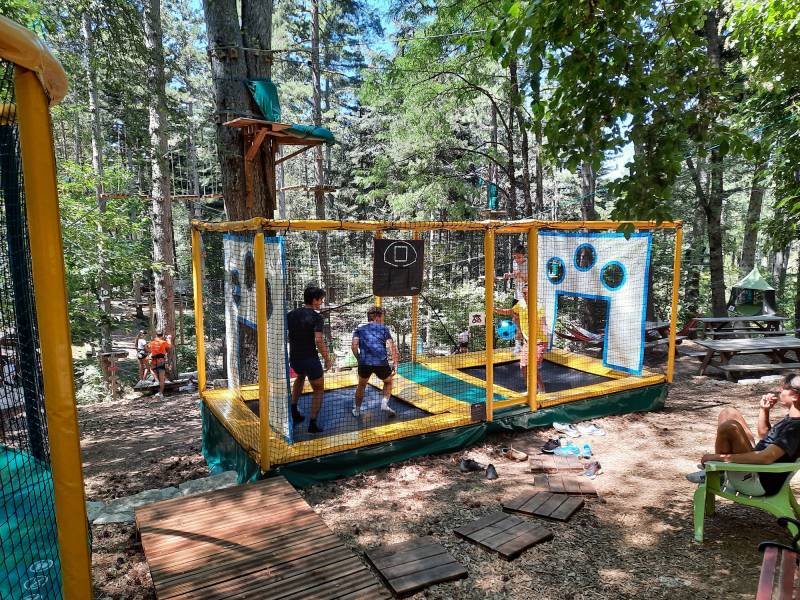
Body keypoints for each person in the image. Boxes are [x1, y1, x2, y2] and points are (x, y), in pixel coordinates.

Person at [686, 373, 800, 496]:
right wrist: (764, 410)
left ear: (795, 396)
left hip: (757, 480)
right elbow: (765, 435)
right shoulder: (793, 419)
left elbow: (766, 458)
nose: (779, 390)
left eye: (784, 388)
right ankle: (721, 472)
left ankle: (719, 473)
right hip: (755, 468)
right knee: (729, 413)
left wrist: (717, 458)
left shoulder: (795, 427)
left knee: (730, 427)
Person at [287, 285, 331, 434]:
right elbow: (318, 340)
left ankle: (293, 409)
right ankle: (312, 423)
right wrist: (327, 358)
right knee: (318, 389)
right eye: (320, 300)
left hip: (295, 359)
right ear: (314, 300)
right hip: (310, 360)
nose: (321, 303)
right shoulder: (317, 317)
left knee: (300, 376)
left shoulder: (291, 314)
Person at [494, 285, 547, 392]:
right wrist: (496, 310)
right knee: (523, 367)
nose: (524, 295)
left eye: (526, 293)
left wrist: (544, 328)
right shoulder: (521, 304)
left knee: (532, 367)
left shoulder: (538, 306)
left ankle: (542, 389)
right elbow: (510, 311)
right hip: (527, 343)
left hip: (539, 342)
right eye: (523, 293)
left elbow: (542, 320)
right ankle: (531, 389)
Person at [351, 306, 399, 418]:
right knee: (388, 382)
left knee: (361, 385)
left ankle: (357, 410)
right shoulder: (383, 329)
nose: (383, 319)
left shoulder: (359, 330)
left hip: (365, 363)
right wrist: (395, 363)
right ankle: (384, 403)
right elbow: (392, 347)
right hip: (381, 363)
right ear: (377, 317)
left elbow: (354, 346)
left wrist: (359, 358)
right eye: (382, 316)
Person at [498, 244, 527, 353]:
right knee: (515, 320)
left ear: (524, 255)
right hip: (517, 295)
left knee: (525, 321)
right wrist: (509, 275)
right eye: (515, 257)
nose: (517, 259)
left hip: (526, 297)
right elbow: (516, 275)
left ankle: (526, 344)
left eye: (519, 257)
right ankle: (517, 346)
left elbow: (530, 279)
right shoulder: (515, 263)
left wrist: (521, 276)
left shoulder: (529, 263)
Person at [148, 330, 172, 400]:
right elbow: (169, 346)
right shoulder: (163, 342)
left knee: (151, 369)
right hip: (161, 361)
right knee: (162, 379)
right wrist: (169, 339)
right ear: (162, 335)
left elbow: (148, 348)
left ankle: (156, 380)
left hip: (153, 361)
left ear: (156, 335)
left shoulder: (152, 343)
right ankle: (161, 393)